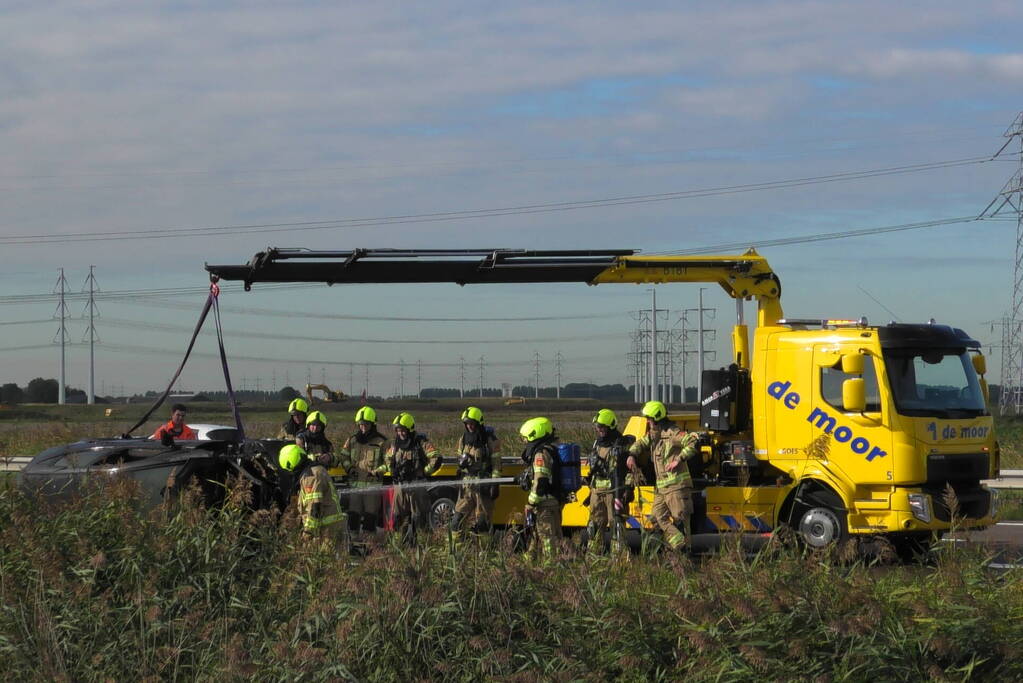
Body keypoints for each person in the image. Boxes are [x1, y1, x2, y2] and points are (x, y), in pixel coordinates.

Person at [628, 400, 699, 554]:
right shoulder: (654, 434)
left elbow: (692, 443)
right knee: (656, 518)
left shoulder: (672, 433)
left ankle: (683, 553)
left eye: (649, 418)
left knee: (681, 520)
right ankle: (678, 544)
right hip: (661, 488)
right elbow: (640, 444)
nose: (647, 421)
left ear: (657, 418)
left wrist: (678, 459)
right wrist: (632, 455)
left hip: (677, 486)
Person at [384, 412, 442, 544]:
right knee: (399, 519)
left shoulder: (420, 443)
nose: (400, 433)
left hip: (417, 486)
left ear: (409, 429)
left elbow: (436, 458)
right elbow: (387, 458)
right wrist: (391, 469)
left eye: (403, 430)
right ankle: (401, 548)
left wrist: (422, 472)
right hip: (400, 486)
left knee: (420, 519)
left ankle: (423, 549)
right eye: (398, 430)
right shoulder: (395, 444)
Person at [279, 444, 347, 550]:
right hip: (327, 528)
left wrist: (307, 533)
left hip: (326, 532)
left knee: (324, 564)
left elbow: (315, 508)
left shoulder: (311, 476)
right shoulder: (312, 470)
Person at [449, 406, 501, 540]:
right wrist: (461, 464)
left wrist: (495, 484)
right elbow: (459, 458)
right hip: (467, 487)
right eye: (467, 424)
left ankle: (485, 555)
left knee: (482, 524)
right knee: (456, 522)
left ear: (479, 423)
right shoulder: (463, 439)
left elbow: (496, 464)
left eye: (472, 423)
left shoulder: (490, 440)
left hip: (483, 487)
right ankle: (457, 552)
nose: (469, 426)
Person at [586, 408, 632, 555]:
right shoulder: (597, 444)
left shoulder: (622, 445)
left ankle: (618, 560)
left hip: (614, 492)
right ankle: (593, 558)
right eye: (597, 427)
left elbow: (631, 469)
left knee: (616, 527)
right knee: (594, 526)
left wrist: (628, 489)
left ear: (610, 426)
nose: (599, 430)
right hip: (597, 492)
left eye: (602, 427)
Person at [337, 406, 389, 537]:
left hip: (373, 488)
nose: (363, 427)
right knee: (353, 517)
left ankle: (369, 545)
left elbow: (389, 462)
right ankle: (354, 544)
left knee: (370, 519)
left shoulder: (382, 442)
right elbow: (343, 456)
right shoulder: (352, 440)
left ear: (372, 424)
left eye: (366, 424)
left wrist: (378, 471)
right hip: (355, 487)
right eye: (360, 425)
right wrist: (349, 468)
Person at [519, 416, 562, 561]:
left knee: (547, 538)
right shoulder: (550, 449)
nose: (525, 442)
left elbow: (540, 481)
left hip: (544, 504)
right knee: (538, 535)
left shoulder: (540, 454)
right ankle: (529, 563)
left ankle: (551, 567)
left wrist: (530, 503)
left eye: (526, 439)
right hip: (552, 501)